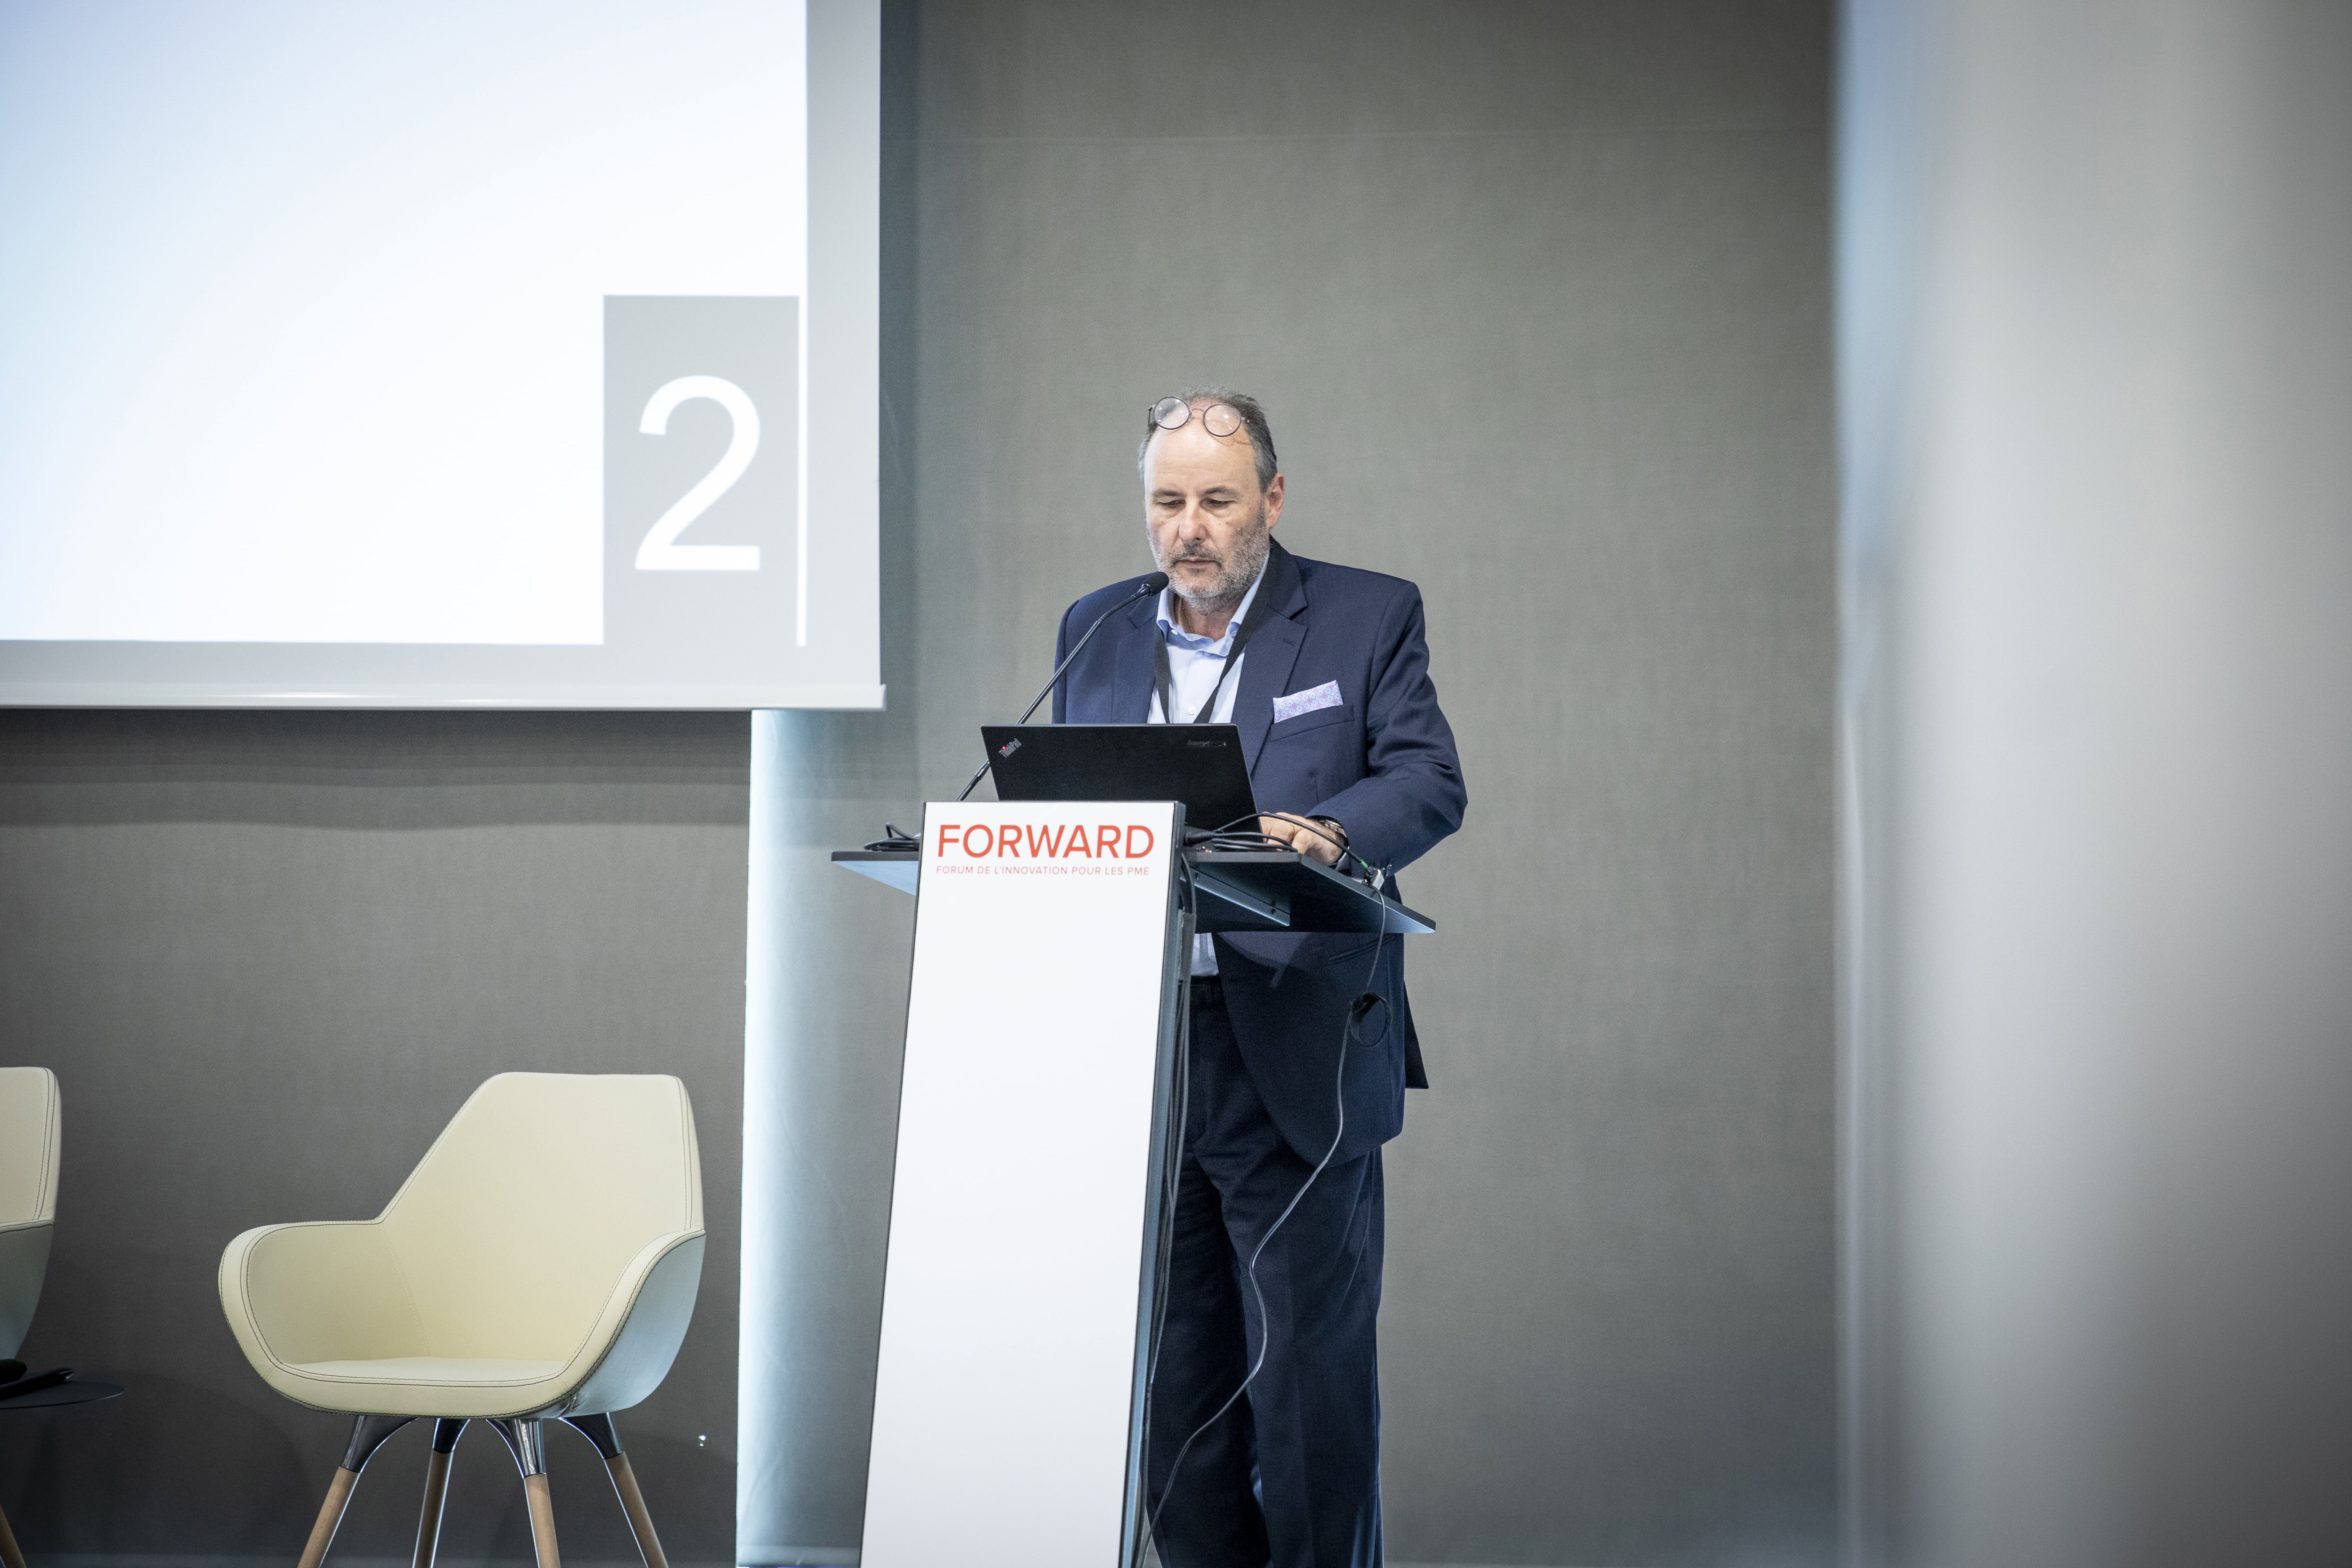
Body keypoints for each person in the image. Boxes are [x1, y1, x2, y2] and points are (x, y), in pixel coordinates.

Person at [1052, 390, 1466, 1568]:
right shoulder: (1093, 626)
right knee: (1174, 1382)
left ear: (1271, 500)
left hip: (1293, 1046)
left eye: (1216, 501)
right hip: (1145, 1055)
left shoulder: (1364, 614)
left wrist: (1329, 831)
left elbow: (1427, 779)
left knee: (1303, 1390)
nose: (1187, 529)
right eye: (1166, 502)